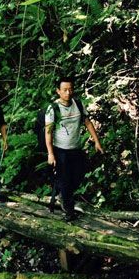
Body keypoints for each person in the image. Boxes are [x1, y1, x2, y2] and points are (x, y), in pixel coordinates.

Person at [45, 76, 104, 221]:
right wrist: (50, 153)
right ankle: (69, 211)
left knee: (77, 176)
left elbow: (87, 122)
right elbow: (48, 132)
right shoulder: (53, 109)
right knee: (65, 180)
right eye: (64, 90)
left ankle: (62, 193)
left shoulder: (77, 104)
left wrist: (97, 142)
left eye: (70, 89)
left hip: (76, 149)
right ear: (58, 91)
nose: (68, 93)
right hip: (61, 151)